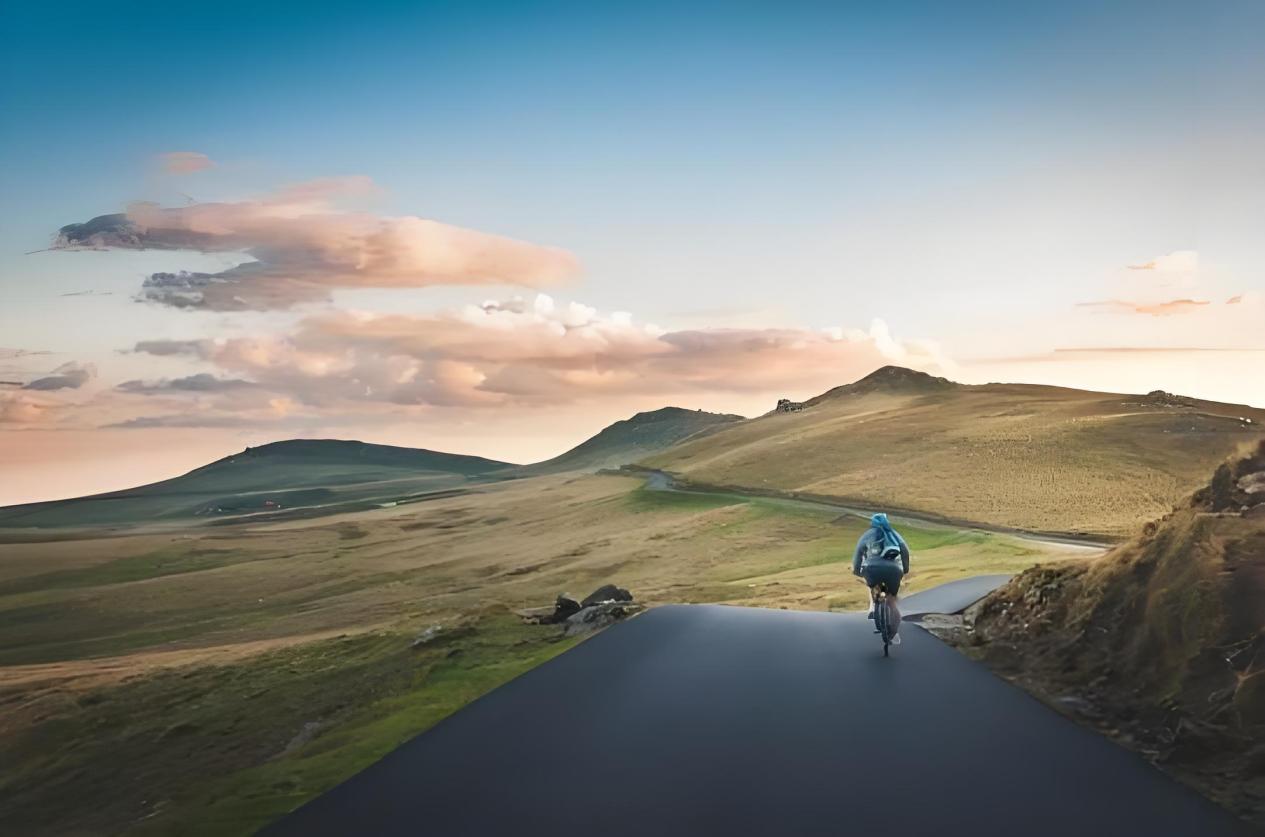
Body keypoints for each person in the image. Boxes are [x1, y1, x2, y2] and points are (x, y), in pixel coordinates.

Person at [852, 513, 910, 644]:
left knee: (874, 586)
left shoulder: (867, 535)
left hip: (872, 568)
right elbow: (904, 550)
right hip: (893, 570)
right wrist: (905, 569)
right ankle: (893, 633)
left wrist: (857, 571)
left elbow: (858, 553)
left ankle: (875, 608)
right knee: (892, 600)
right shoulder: (893, 534)